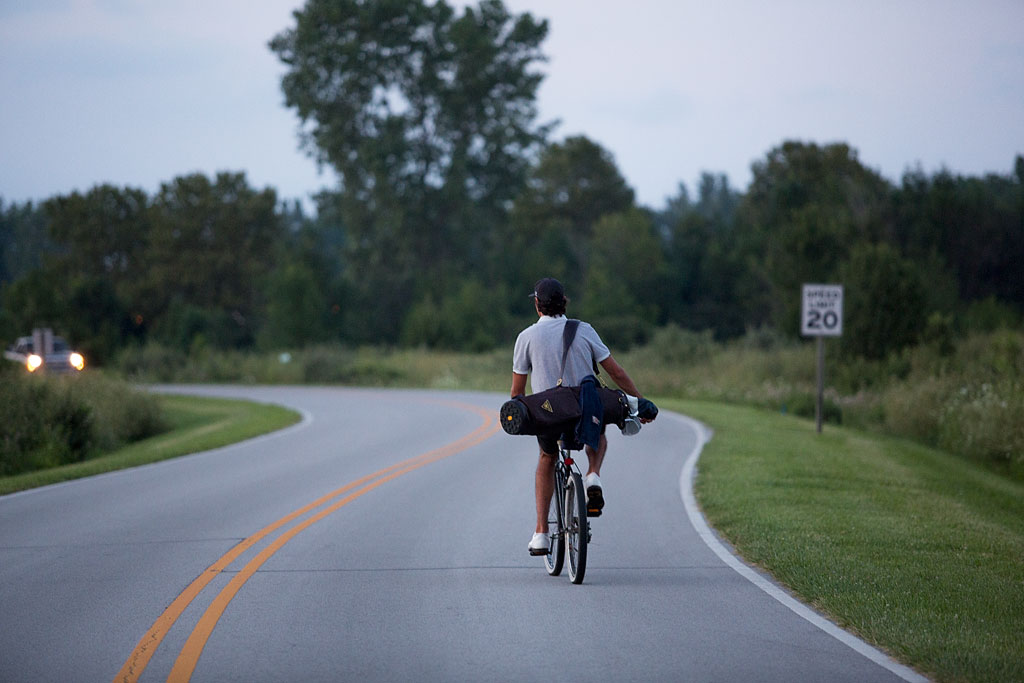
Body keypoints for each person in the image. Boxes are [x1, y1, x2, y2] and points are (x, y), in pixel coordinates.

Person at [511, 277, 655, 556]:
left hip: (549, 412)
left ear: (537, 305)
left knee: (547, 458)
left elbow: (517, 391)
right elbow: (615, 372)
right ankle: (592, 475)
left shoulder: (526, 337)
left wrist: (522, 414)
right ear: (564, 303)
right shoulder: (584, 330)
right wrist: (638, 399)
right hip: (584, 408)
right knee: (597, 432)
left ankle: (541, 533)